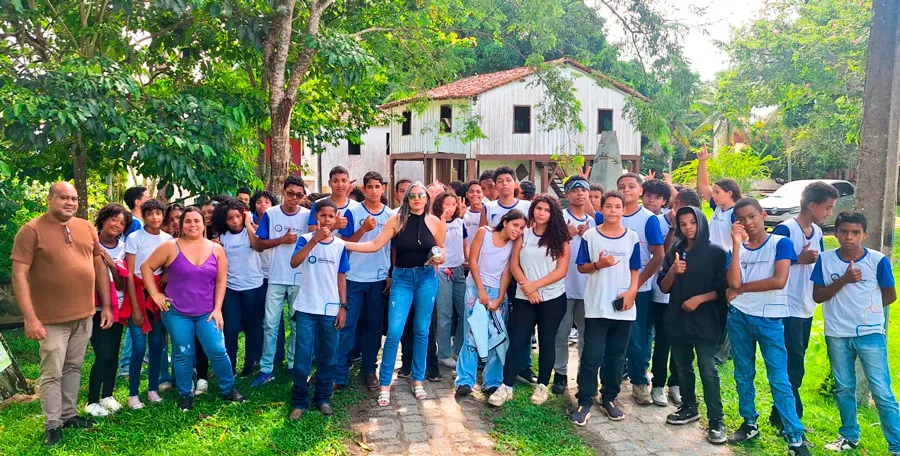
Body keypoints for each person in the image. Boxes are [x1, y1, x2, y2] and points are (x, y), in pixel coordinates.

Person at [11, 182, 113, 446]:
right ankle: (52, 424)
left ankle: (69, 415)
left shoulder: (86, 227)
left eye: (74, 199)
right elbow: (19, 275)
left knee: (73, 367)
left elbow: (98, 265)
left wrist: (107, 306)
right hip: (50, 320)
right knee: (52, 372)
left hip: (84, 314)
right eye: (64, 198)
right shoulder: (31, 231)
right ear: (50, 199)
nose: (70, 202)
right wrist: (30, 317)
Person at [344, 182, 446, 406]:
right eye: (413, 196)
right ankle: (384, 383)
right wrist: (342, 243)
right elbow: (373, 245)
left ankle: (417, 380)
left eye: (421, 195)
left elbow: (441, 249)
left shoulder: (436, 222)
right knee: (395, 332)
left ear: (427, 199)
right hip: (402, 278)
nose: (417, 199)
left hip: (427, 277)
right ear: (406, 199)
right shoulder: (396, 220)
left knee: (422, 330)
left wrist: (440, 257)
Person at [141, 207, 248, 412]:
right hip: (177, 312)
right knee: (183, 352)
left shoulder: (216, 249)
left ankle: (228, 388)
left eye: (196, 221)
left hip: (207, 311)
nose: (193, 225)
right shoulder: (170, 247)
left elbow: (221, 281)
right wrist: (155, 294)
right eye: (188, 221)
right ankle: (185, 394)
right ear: (181, 225)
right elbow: (146, 267)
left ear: (203, 223)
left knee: (218, 350)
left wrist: (218, 309)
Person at [810, 212, 900, 455]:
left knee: (882, 390)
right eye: (844, 231)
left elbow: (890, 295)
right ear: (836, 232)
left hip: (869, 333)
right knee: (844, 387)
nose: (849, 237)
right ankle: (849, 435)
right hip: (837, 332)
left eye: (855, 232)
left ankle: (896, 445)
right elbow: (818, 296)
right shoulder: (826, 260)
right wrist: (845, 280)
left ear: (864, 235)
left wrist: (866, 311)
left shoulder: (877, 260)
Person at [725, 198, 809, 456]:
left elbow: (779, 280)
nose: (748, 223)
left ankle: (795, 436)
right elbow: (733, 278)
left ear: (762, 215)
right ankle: (749, 422)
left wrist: (739, 290)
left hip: (770, 319)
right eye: (741, 219)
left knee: (779, 378)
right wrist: (737, 246)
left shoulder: (780, 243)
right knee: (743, 373)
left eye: (752, 217)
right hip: (739, 316)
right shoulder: (735, 250)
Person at [769, 182, 837, 432]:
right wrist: (799, 259)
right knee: (791, 365)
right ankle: (789, 417)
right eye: (827, 207)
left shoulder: (817, 232)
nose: (829, 212)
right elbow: (771, 262)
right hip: (787, 308)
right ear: (812, 205)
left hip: (806, 307)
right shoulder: (786, 229)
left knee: (796, 363)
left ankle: (781, 415)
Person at [569, 190, 641, 425]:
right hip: (597, 305)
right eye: (608, 206)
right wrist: (599, 264)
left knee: (617, 355)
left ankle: (609, 397)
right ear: (601, 209)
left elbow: (635, 269)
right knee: (592, 354)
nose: (612, 210)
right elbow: (581, 267)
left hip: (624, 306)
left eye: (617, 206)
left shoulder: (631, 237)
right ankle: (585, 399)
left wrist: (632, 291)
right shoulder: (591, 236)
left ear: (623, 209)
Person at [658, 206, 729, 444]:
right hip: (678, 318)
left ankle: (717, 420)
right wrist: (673, 272)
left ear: (701, 223)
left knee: (708, 369)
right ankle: (689, 407)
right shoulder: (676, 251)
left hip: (706, 321)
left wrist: (700, 299)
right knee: (682, 367)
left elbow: (724, 290)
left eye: (693, 222)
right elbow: (663, 286)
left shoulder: (716, 253)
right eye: (683, 224)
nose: (688, 228)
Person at [491, 195, 570, 406]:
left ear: (553, 214)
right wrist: (527, 286)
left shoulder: (560, 239)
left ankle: (543, 385)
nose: (541, 213)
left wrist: (536, 286)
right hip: (524, 296)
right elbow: (514, 264)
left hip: (552, 298)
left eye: (546, 210)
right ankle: (506, 386)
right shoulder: (523, 235)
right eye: (538, 208)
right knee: (518, 340)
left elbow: (561, 270)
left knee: (547, 341)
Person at [287, 199, 349, 419]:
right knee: (303, 355)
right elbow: (294, 262)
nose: (326, 220)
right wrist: (314, 240)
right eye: (323, 216)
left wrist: (343, 306)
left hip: (331, 308)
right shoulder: (304, 240)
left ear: (335, 219)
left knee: (330, 356)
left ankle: (323, 397)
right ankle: (299, 401)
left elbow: (341, 277)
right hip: (306, 307)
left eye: (331, 217)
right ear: (316, 217)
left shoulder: (340, 245)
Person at [455, 210, 524, 397]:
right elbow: (473, 260)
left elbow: (507, 272)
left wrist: (500, 297)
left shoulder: (515, 243)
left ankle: (492, 381)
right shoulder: (484, 233)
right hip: (475, 288)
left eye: (522, 227)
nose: (518, 230)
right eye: (515, 225)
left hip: (497, 292)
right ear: (505, 222)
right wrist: (481, 290)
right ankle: (465, 380)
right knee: (471, 334)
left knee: (496, 336)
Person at [336, 172, 395, 390]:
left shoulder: (390, 215)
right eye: (369, 186)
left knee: (374, 328)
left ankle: (370, 370)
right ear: (364, 188)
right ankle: (340, 374)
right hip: (354, 277)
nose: (373, 190)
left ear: (383, 189)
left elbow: (393, 247)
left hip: (378, 279)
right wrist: (363, 229)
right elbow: (344, 243)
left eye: (377, 186)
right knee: (347, 326)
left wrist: (390, 273)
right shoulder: (352, 211)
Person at [252, 176, 310, 386]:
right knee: (270, 323)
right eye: (290, 193)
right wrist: (282, 240)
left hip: (299, 277)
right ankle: (266, 368)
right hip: (276, 276)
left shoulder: (307, 216)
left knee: (298, 324)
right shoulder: (271, 214)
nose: (294, 198)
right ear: (283, 192)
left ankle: (294, 363)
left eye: (299, 195)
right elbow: (259, 244)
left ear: (303, 196)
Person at [481, 165, 535, 383]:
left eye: (507, 180)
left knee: (525, 320)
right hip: (497, 273)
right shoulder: (490, 207)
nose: (504, 184)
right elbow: (484, 235)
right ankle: (493, 363)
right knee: (496, 320)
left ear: (515, 183)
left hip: (522, 270)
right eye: (499, 181)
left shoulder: (527, 206)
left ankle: (525, 365)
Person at [616, 173, 665, 405]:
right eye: (621, 186)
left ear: (640, 191)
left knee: (636, 337)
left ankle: (639, 383)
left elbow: (659, 255)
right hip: (611, 287)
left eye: (631, 186)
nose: (626, 190)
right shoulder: (610, 214)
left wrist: (637, 284)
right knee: (611, 335)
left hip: (640, 289)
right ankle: (611, 380)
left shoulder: (648, 219)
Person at [122, 199, 173, 410]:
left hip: (159, 295)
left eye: (159, 214)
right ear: (143, 215)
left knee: (157, 344)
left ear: (163, 216)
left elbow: (171, 264)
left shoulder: (168, 239)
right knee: (138, 346)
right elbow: (131, 273)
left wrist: (166, 275)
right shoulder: (134, 238)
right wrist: (135, 307)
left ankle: (152, 389)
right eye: (150, 213)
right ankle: (133, 393)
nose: (155, 218)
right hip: (138, 292)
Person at [85, 204, 132, 418]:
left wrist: (111, 264)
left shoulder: (123, 248)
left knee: (113, 353)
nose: (117, 225)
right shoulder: (89, 242)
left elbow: (122, 284)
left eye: (122, 223)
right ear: (103, 219)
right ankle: (92, 400)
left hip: (118, 307)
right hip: (95, 307)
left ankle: (108, 395)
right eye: (114, 219)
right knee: (103, 353)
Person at [553, 177, 596, 395]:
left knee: (587, 335)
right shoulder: (559, 218)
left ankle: (583, 374)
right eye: (575, 190)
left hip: (588, 288)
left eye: (584, 190)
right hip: (562, 286)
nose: (580, 193)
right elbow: (548, 248)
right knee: (561, 333)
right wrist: (566, 236)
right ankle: (560, 373)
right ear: (567, 195)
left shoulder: (594, 221)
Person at [213, 198, 266, 376]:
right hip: (231, 288)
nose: (235, 221)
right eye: (230, 218)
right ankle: (231, 365)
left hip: (253, 286)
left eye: (238, 216)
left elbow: (258, 246)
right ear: (224, 220)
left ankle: (249, 365)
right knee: (231, 328)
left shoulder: (252, 231)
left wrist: (249, 224)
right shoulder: (222, 238)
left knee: (253, 327)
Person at [642, 178, 681, 407]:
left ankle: (675, 384)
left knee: (680, 342)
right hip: (659, 291)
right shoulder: (654, 221)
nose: (651, 200)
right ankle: (657, 384)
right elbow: (661, 256)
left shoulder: (695, 228)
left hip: (683, 297)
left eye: (657, 197)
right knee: (661, 340)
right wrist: (673, 229)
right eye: (648, 195)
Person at [249, 190, 289, 369]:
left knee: (277, 318)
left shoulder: (277, 220)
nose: (262, 205)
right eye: (258, 202)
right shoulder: (249, 225)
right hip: (259, 276)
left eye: (266, 201)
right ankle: (260, 354)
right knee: (262, 317)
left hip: (277, 274)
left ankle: (279, 354)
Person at [434, 192, 467, 368]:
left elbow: (464, 245)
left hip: (459, 270)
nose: (450, 208)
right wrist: (442, 220)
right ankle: (444, 353)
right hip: (442, 271)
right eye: (447, 204)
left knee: (466, 313)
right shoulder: (435, 223)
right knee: (445, 314)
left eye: (453, 204)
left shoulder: (461, 223)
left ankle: (458, 350)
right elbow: (436, 244)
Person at [696, 146, 741, 252]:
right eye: (713, 192)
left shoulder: (736, 214)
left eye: (717, 192)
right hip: (711, 256)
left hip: (725, 259)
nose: (713, 195)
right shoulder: (717, 207)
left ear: (729, 193)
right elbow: (703, 186)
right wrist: (702, 162)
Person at [310, 167, 358, 237]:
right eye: (335, 181)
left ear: (348, 183)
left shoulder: (356, 207)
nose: (340, 185)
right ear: (329, 183)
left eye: (344, 181)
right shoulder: (318, 204)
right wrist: (334, 226)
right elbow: (312, 234)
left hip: (348, 247)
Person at [462, 180, 485, 251]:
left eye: (478, 192)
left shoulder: (488, 212)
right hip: (465, 255)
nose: (475, 194)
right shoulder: (462, 212)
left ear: (483, 194)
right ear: (466, 194)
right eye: (471, 191)